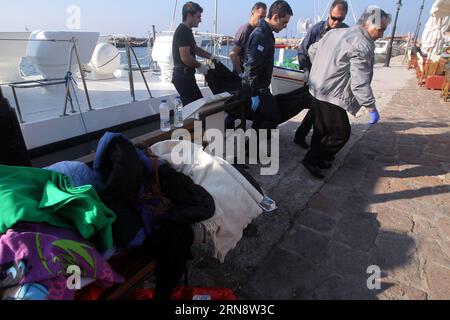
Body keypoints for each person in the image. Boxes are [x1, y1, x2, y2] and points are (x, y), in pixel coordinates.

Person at [302, 6, 391, 179]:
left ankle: (322, 159)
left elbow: (312, 50)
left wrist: (322, 68)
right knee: (340, 133)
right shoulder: (362, 44)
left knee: (321, 128)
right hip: (332, 94)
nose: (381, 34)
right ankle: (312, 160)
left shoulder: (335, 32)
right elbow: (359, 83)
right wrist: (371, 107)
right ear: (368, 24)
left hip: (316, 87)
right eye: (380, 29)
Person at [294, 0, 349, 149]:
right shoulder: (316, 29)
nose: (336, 22)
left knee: (319, 112)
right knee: (314, 110)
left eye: (341, 19)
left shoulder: (347, 33)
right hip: (313, 78)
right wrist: (306, 70)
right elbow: (302, 51)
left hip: (332, 82)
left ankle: (311, 142)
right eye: (334, 18)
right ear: (329, 13)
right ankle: (302, 137)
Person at [243, 0, 293, 132]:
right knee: (272, 117)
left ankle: (250, 147)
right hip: (256, 89)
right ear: (275, 17)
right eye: (284, 22)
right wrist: (253, 93)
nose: (285, 26)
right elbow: (251, 67)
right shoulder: (261, 35)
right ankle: (251, 147)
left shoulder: (266, 34)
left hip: (261, 87)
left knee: (262, 119)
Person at [172, 2, 219, 106]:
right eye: (198, 16)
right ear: (189, 16)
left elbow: (195, 49)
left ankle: (191, 122)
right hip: (183, 77)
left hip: (186, 76)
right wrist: (200, 65)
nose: (200, 20)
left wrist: (211, 56)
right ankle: (193, 123)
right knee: (197, 107)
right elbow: (185, 58)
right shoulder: (183, 31)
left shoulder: (187, 31)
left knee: (193, 108)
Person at [229, 2, 267, 76]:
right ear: (253, 13)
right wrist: (240, 74)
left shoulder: (258, 30)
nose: (262, 20)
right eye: (260, 17)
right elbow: (233, 54)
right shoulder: (244, 30)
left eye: (264, 17)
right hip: (243, 73)